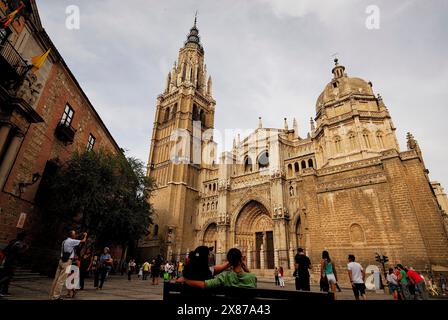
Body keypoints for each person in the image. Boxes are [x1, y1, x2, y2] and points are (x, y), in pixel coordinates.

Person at [178, 248, 256, 289]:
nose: (210, 257)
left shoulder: (224, 277)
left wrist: (186, 280)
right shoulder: (252, 278)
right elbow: (250, 276)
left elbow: (203, 285)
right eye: (208, 255)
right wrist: (245, 267)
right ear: (241, 260)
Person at [49, 231, 87, 300]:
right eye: (74, 234)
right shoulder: (72, 241)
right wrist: (85, 236)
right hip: (67, 261)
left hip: (61, 260)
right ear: (72, 235)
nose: (75, 235)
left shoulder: (64, 241)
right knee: (61, 280)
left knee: (56, 278)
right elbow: (83, 241)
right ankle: (56, 296)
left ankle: (52, 294)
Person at [0, 231, 28, 297]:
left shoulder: (14, 242)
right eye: (26, 237)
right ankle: (2, 291)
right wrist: (25, 248)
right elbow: (18, 253)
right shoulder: (18, 243)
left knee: (7, 277)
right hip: (10, 262)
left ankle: (4, 291)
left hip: (9, 261)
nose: (27, 239)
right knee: (6, 276)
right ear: (23, 237)